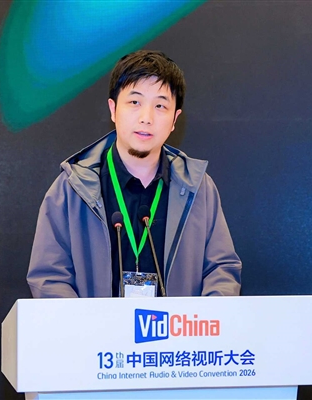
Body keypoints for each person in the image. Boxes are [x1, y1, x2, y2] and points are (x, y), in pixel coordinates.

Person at [27, 50, 241, 298]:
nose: (146, 118)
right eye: (135, 102)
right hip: (96, 325)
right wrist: (87, 323)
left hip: (177, 325)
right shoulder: (72, 188)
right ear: (113, 109)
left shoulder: (198, 188)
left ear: (174, 119)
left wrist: (201, 319)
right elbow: (49, 277)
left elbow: (221, 270)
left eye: (160, 106)